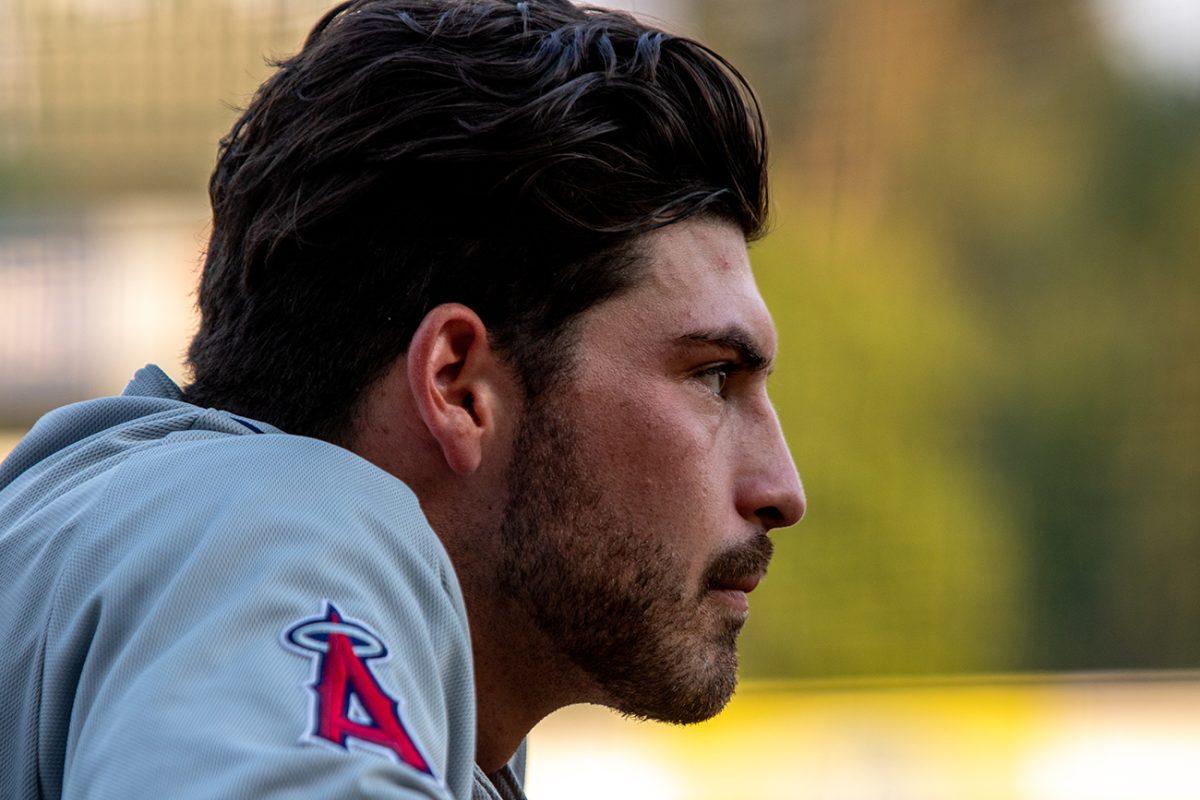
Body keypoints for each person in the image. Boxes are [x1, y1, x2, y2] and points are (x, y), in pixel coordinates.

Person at [0, 0, 805, 797]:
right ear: (457, 385)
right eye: (712, 377)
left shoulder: (172, 538)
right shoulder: (279, 532)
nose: (782, 491)